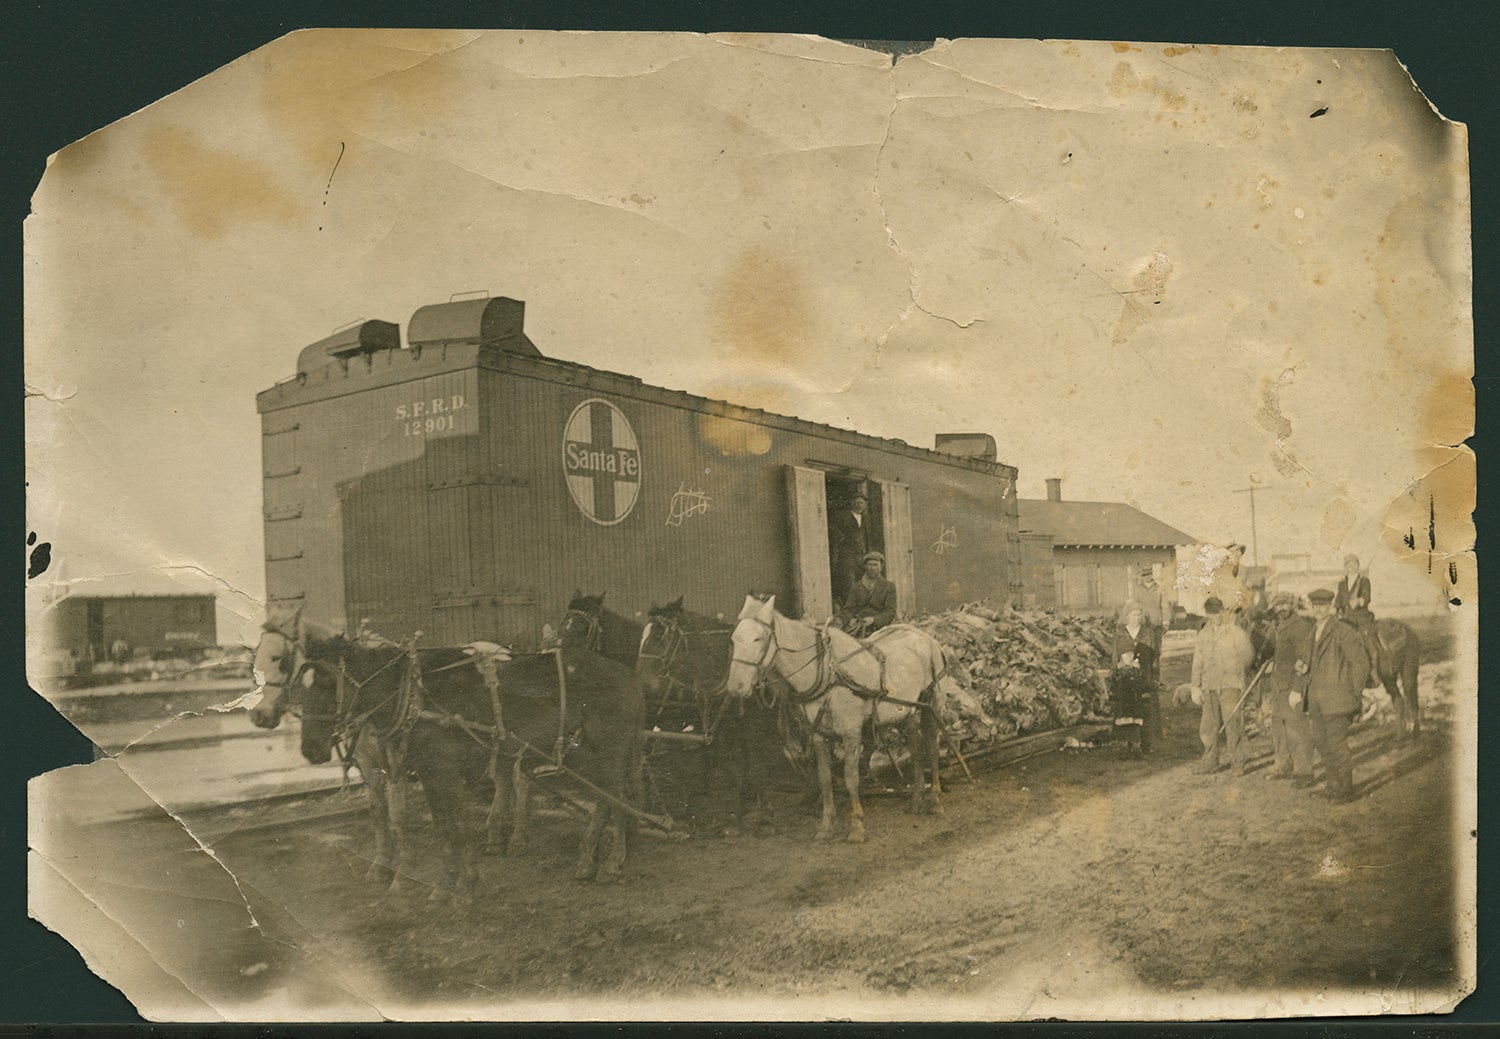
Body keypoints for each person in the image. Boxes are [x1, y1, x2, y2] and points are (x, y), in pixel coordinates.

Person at [1295, 587, 1370, 803]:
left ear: (1330, 607)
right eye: (1315, 605)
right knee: (1322, 743)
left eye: (1323, 605)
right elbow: (1308, 661)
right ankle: (1333, 786)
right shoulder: (1313, 632)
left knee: (1337, 745)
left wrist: (1354, 695)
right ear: (1311, 607)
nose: (1319, 609)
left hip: (1338, 701)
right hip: (1317, 701)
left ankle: (1346, 791)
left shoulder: (1344, 631)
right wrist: (1301, 665)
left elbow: (1361, 664)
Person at [1188, 596, 1254, 775]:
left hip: (1230, 685)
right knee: (1209, 726)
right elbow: (1198, 662)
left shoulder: (1234, 632)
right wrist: (1195, 686)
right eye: (1211, 613)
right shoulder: (1203, 634)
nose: (1215, 616)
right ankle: (1210, 761)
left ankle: (1237, 762)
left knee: (1233, 724)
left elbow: (1247, 656)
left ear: (1223, 611)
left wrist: (1236, 673)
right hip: (1209, 685)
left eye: (1217, 612)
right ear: (1207, 614)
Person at [1261, 593, 1316, 785]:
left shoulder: (1299, 627)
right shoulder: (1282, 626)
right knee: (1278, 726)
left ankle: (1304, 771)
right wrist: (1273, 665)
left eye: (1285, 605)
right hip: (1279, 686)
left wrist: (1298, 689)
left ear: (1291, 606)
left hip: (1291, 687)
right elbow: (1285, 656)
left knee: (1297, 729)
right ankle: (1282, 764)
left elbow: (1303, 662)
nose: (1281, 609)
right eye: (1278, 606)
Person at [1111, 604, 1161, 755]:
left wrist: (1153, 677)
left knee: (1145, 710)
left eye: (1139, 615)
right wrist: (1118, 668)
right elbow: (1114, 656)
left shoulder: (1148, 633)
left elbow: (1154, 656)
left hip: (1143, 677)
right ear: (1127, 617)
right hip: (1125, 677)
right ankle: (1126, 743)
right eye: (1134, 615)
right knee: (1125, 709)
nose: (1137, 618)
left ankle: (1146, 744)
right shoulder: (1120, 634)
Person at [1335, 553, 1381, 687]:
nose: (1351, 567)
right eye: (1348, 565)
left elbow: (1367, 598)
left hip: (1362, 618)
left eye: (1354, 564)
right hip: (1346, 619)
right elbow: (1339, 600)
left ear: (1358, 566)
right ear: (1345, 567)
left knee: (1367, 642)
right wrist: (1335, 607)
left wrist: (1359, 601)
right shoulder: (1342, 583)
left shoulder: (1364, 581)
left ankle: (1373, 673)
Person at [837, 551, 897, 636]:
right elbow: (849, 609)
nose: (872, 568)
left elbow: (890, 611)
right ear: (865, 566)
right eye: (870, 564)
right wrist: (845, 619)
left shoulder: (888, 586)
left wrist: (874, 620)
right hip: (859, 627)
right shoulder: (857, 586)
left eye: (875, 565)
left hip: (881, 628)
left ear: (881, 567)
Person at [828, 490, 869, 606]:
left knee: (861, 580)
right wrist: (842, 538)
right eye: (856, 502)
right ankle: (848, 606)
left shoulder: (865, 519)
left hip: (861, 554)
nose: (859, 505)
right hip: (847, 554)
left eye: (861, 503)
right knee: (848, 581)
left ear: (865, 505)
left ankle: (860, 606)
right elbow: (833, 530)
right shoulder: (843, 516)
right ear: (851, 503)